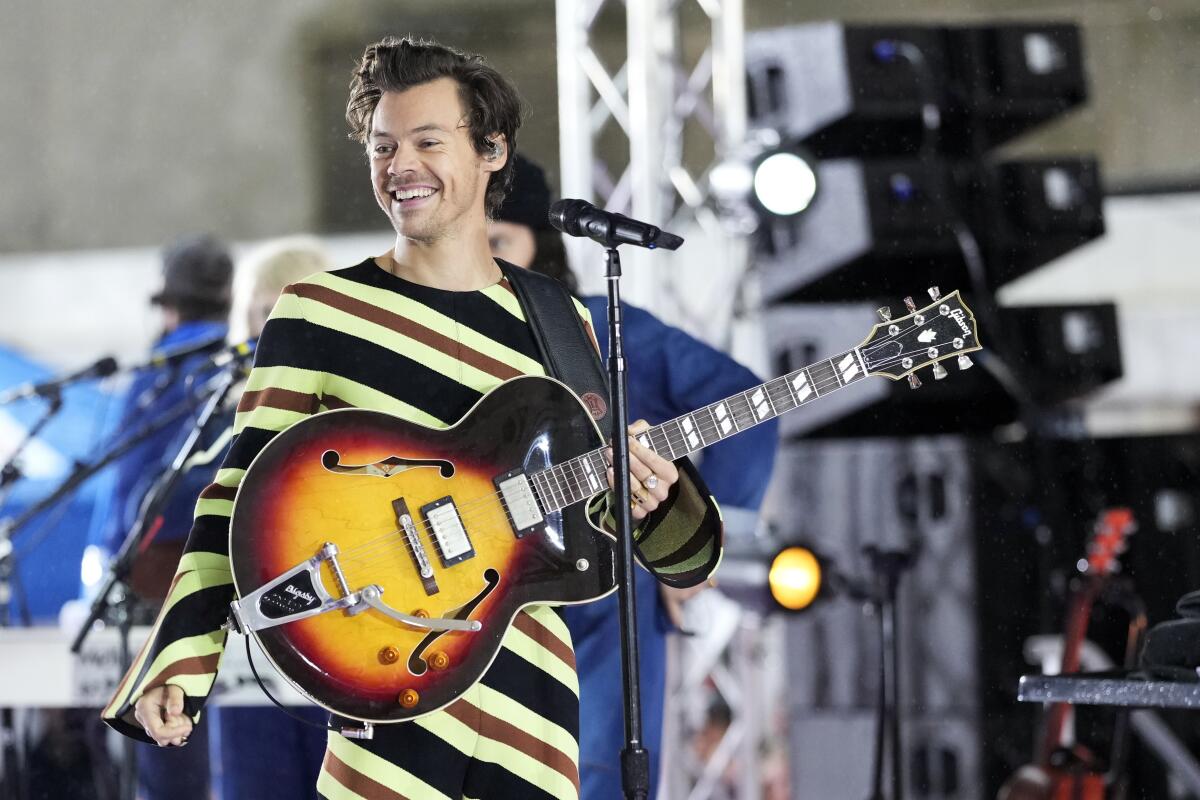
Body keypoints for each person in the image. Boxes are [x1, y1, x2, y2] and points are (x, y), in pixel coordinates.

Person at [101, 36, 720, 800]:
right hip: (385, 709)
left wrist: (658, 497)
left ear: (492, 150)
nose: (400, 166)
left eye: (428, 141)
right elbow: (237, 498)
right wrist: (183, 660)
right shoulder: (319, 312)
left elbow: (638, 544)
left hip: (536, 712)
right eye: (382, 146)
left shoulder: (560, 319)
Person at [490, 155, 779, 799]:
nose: (485, 257)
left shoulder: (603, 325)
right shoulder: (440, 337)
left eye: (499, 238)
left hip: (599, 611)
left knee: (595, 778)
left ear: (541, 240)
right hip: (476, 607)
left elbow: (748, 410)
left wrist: (694, 547)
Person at [83, 233, 233, 800]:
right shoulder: (249, 359)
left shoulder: (156, 374)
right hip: (237, 571)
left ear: (169, 307)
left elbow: (121, 489)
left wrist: (109, 563)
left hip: (156, 579)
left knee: (164, 735)